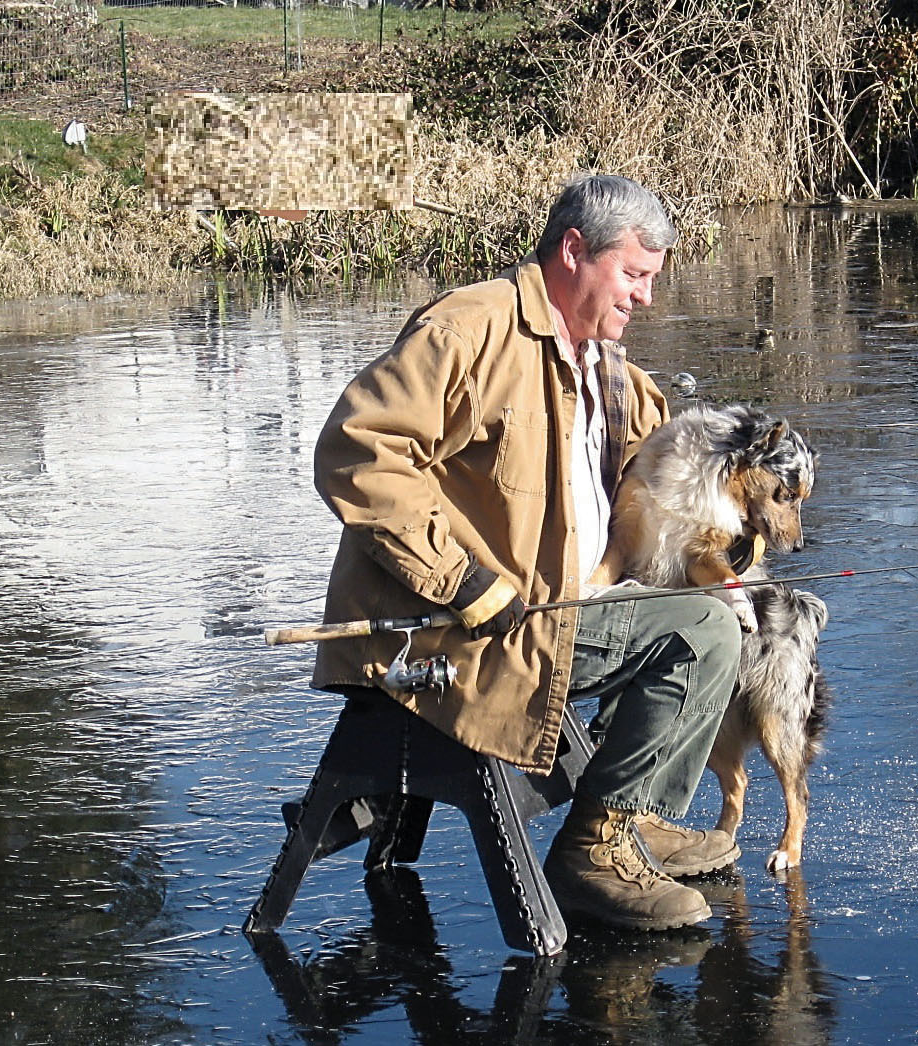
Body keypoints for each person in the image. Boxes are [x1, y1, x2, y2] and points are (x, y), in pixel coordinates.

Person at [311, 174, 744, 932]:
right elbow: (357, 452)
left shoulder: (614, 375)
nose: (645, 298)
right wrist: (463, 583)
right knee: (696, 634)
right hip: (460, 632)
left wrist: (729, 552)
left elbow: (664, 497)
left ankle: (632, 817)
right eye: (634, 276)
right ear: (575, 250)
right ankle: (591, 856)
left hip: (568, 610)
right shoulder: (469, 331)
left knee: (719, 613)